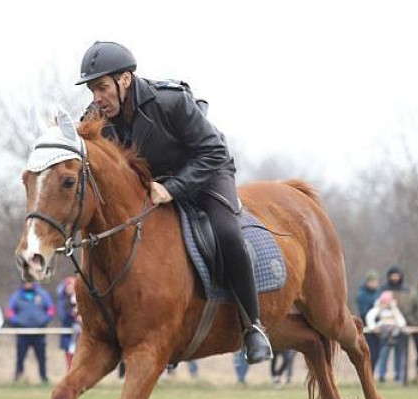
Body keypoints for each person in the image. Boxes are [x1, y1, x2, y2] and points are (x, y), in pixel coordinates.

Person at [76, 41, 272, 363]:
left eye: (101, 87)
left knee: (227, 233)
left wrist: (175, 188)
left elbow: (214, 152)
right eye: (92, 90)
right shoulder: (97, 118)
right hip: (155, 188)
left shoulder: (171, 101)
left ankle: (253, 326)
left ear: (124, 79)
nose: (96, 98)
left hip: (208, 174)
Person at [7, 281, 55, 384]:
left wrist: (43, 321)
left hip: (39, 332)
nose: (28, 284)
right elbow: (10, 312)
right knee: (20, 357)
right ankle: (18, 378)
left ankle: (44, 378)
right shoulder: (16, 296)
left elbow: (51, 310)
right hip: (23, 332)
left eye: (30, 282)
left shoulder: (43, 295)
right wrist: (18, 322)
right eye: (26, 282)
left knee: (41, 357)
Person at [365, 291, 408, 384]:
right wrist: (379, 308)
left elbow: (402, 323)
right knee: (383, 355)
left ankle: (398, 377)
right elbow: (370, 318)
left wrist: (394, 308)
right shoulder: (377, 309)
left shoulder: (395, 310)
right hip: (384, 336)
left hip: (396, 335)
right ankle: (381, 376)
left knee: (399, 356)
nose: (386, 304)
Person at [379, 266, 410, 384]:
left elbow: (407, 307)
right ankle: (382, 375)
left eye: (397, 275)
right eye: (393, 275)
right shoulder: (384, 289)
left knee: (399, 352)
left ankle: (398, 376)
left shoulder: (405, 290)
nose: (395, 277)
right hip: (386, 325)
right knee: (384, 352)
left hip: (401, 324)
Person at [356, 270, 381, 367]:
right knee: (369, 353)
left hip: (378, 328)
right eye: (372, 281)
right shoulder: (362, 295)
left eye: (376, 282)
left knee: (376, 354)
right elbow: (363, 312)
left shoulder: (379, 293)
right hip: (367, 328)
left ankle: (372, 374)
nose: (374, 284)